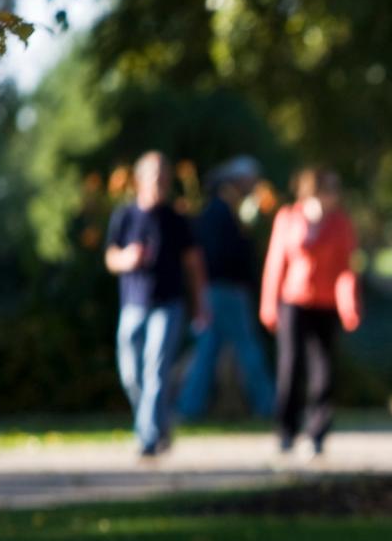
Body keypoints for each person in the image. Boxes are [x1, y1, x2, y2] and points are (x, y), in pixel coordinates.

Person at [105, 151, 210, 458]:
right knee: (131, 373)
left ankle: (147, 439)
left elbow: (194, 264)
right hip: (133, 304)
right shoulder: (124, 216)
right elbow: (110, 257)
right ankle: (159, 426)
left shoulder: (176, 219)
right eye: (155, 175)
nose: (161, 182)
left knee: (156, 369)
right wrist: (127, 259)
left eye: (165, 175)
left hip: (169, 304)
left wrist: (201, 304)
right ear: (139, 180)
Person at [261, 167, 360, 457]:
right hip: (294, 300)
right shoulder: (289, 218)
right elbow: (276, 263)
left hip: (327, 303)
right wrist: (269, 304)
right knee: (291, 367)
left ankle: (318, 431)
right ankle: (286, 430)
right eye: (328, 189)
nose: (333, 196)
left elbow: (347, 267)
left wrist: (349, 303)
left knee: (324, 370)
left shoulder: (340, 223)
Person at [177, 156, 277, 421]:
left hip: (218, 289)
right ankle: (267, 404)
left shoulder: (222, 209)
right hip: (226, 290)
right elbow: (223, 254)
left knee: (208, 351)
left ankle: (190, 407)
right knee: (246, 347)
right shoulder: (222, 212)